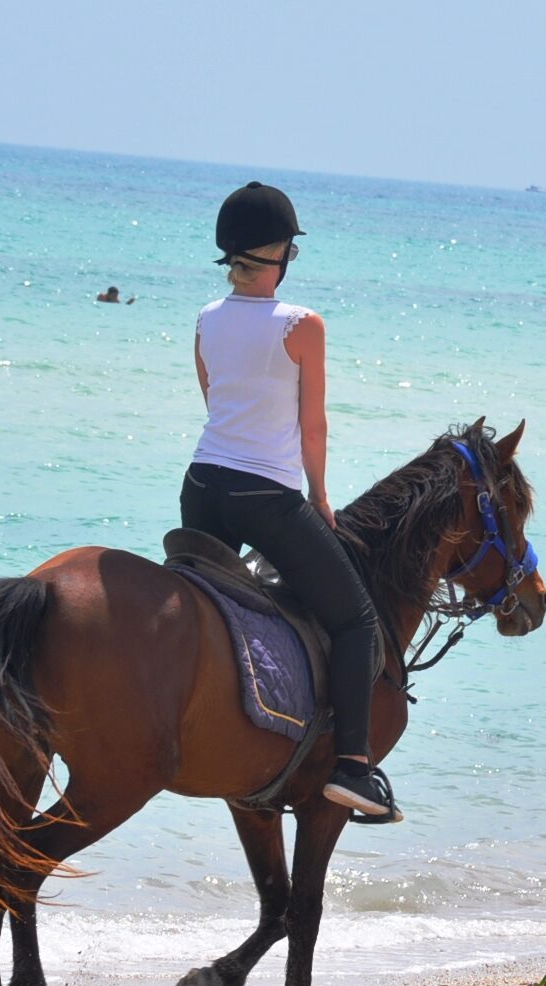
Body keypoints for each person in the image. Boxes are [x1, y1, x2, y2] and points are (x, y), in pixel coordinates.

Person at [182, 182, 395, 821]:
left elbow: (214, 400)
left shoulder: (206, 319)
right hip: (266, 498)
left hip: (201, 487)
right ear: (278, 255)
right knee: (356, 622)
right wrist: (321, 497)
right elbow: (313, 427)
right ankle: (353, 767)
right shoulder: (302, 325)